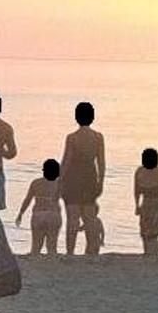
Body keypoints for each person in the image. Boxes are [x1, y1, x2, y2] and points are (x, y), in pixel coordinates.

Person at [59, 101, 105, 256]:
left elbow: (66, 161)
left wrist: (59, 181)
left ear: (77, 117)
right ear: (92, 117)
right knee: (90, 218)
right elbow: (101, 163)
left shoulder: (72, 138)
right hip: (90, 178)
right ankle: (92, 252)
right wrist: (101, 181)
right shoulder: (98, 137)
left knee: (72, 218)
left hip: (72, 180)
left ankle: (70, 253)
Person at [16, 158, 63, 255]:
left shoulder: (36, 183)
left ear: (44, 170)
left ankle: (35, 258)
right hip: (53, 214)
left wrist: (21, 213)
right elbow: (69, 201)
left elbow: (28, 199)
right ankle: (51, 261)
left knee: (36, 246)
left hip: (38, 215)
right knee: (52, 246)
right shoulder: (60, 184)